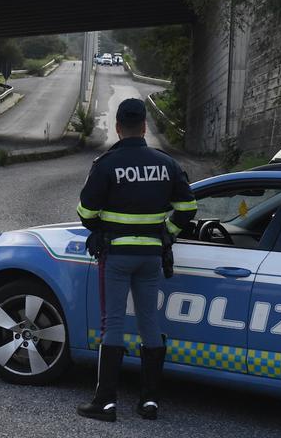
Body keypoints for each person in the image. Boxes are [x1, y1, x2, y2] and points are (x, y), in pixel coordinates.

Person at [76, 98, 196, 422]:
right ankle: (150, 402)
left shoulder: (106, 164)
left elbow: (85, 212)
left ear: (118, 127)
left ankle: (106, 402)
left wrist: (102, 228)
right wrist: (166, 233)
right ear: (144, 126)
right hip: (150, 256)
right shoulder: (165, 163)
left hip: (116, 256)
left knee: (112, 323)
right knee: (149, 324)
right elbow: (187, 208)